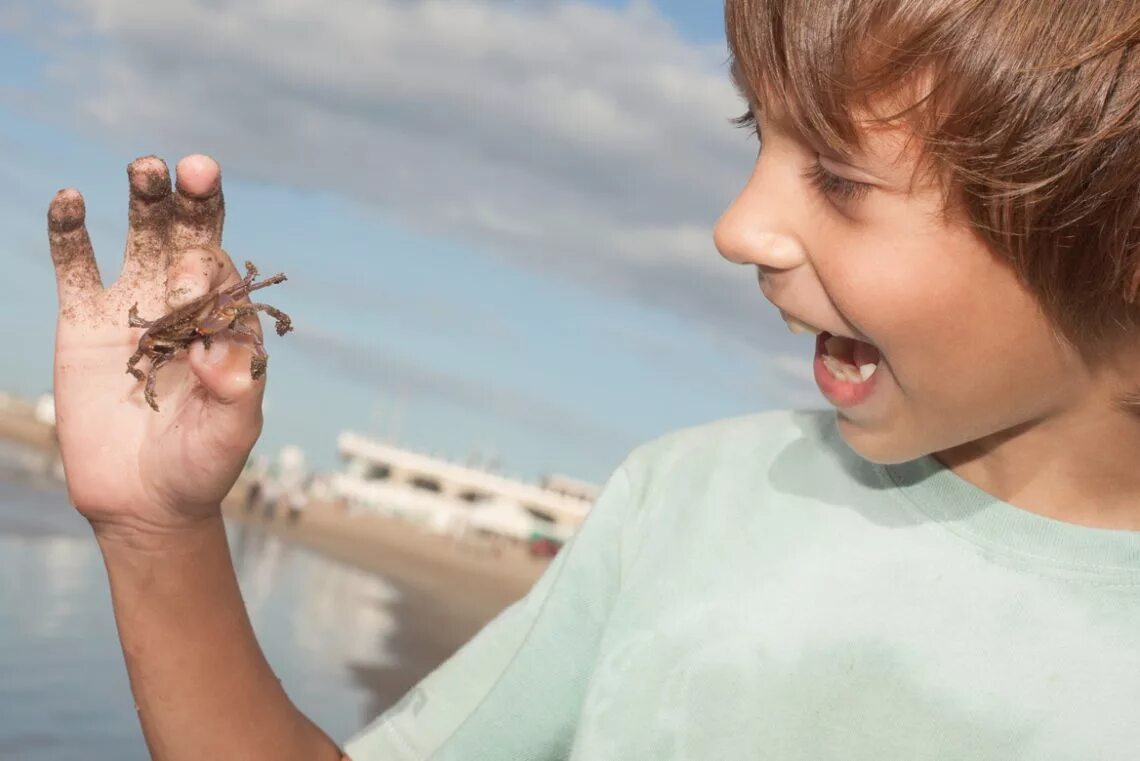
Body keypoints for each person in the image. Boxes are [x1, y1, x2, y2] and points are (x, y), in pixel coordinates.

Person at [44, 0, 1140, 758]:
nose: (737, 226)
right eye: (756, 133)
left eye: (842, 180)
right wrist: (157, 533)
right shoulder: (692, 498)